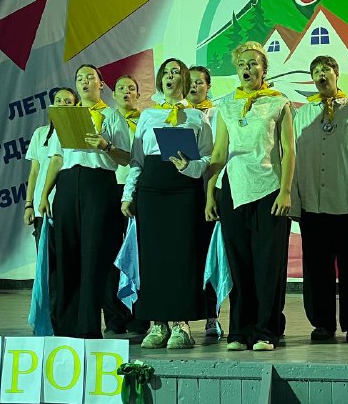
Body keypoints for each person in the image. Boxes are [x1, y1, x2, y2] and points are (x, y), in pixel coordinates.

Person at [206, 41, 295, 352]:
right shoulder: (226, 105)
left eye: (254, 63)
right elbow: (219, 153)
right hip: (234, 190)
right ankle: (239, 331)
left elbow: (289, 150)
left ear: (264, 69)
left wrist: (285, 191)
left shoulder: (278, 103)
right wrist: (210, 191)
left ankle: (265, 331)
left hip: (269, 189)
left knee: (267, 265)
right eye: (242, 63)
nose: (248, 68)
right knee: (239, 264)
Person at [121, 58, 213, 349]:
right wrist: (128, 194)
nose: (171, 76)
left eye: (177, 72)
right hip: (152, 190)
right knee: (153, 256)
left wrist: (189, 167)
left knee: (182, 256)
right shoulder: (148, 115)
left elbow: (208, 158)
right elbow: (137, 159)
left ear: (185, 80)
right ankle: (157, 323)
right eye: (167, 72)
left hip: (184, 190)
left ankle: (181, 324)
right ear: (160, 80)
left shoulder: (197, 117)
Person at [38, 64, 131, 338]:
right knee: (67, 255)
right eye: (80, 78)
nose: (84, 82)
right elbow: (57, 158)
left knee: (94, 256)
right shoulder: (67, 116)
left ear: (101, 84)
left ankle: (89, 327)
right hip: (68, 185)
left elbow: (126, 157)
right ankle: (65, 327)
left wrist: (105, 146)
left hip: (99, 185)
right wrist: (44, 194)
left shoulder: (112, 116)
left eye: (90, 77)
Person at [292, 56, 348, 343]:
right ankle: (322, 324)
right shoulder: (303, 113)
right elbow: (293, 159)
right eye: (315, 71)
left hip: (347, 204)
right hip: (313, 204)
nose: (321, 75)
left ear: (337, 74)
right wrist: (295, 201)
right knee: (317, 268)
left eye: (325, 70)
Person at [186, 65, 222, 338]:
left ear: (208, 86)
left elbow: (219, 157)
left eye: (200, 82)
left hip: (210, 190)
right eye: (190, 82)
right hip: (183, 192)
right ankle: (181, 318)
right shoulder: (177, 114)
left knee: (211, 256)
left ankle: (212, 316)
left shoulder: (218, 113)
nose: (194, 86)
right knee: (185, 257)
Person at [111, 74, 148, 336]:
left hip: (137, 189)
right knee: (112, 252)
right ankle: (115, 316)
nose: (126, 92)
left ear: (138, 94)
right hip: (109, 187)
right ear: (113, 94)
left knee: (137, 252)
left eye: (131, 88)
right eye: (121, 88)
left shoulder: (146, 120)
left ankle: (140, 316)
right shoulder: (106, 120)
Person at [23, 86, 78, 245]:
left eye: (68, 102)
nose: (62, 104)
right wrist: (29, 204)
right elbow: (34, 172)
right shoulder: (40, 133)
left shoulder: (79, 133)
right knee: (45, 255)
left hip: (67, 205)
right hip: (42, 206)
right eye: (58, 101)